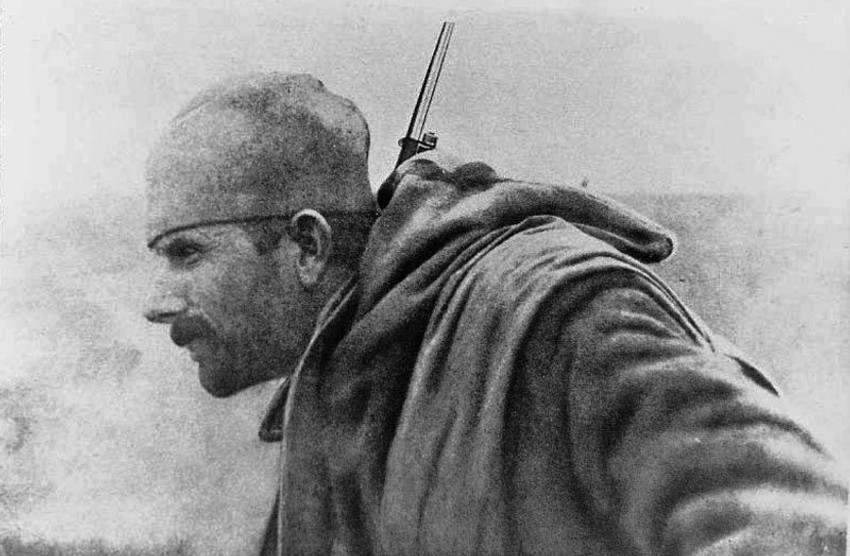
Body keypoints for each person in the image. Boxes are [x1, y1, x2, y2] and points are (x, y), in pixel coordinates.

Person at [144, 72, 847, 555]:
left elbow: (795, 520)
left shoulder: (546, 311)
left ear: (307, 245)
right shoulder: (337, 387)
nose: (156, 302)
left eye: (185, 253)